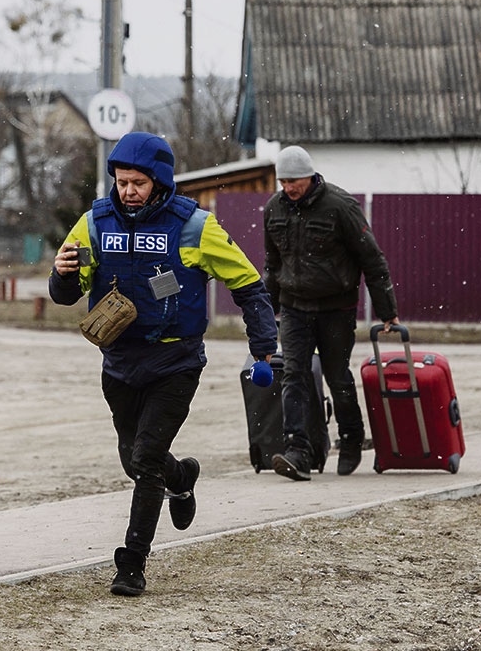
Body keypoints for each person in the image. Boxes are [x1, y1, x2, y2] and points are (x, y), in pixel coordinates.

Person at [49, 132, 277, 597]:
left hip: (176, 361)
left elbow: (249, 285)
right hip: (119, 361)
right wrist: (62, 273)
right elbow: (66, 293)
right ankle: (182, 477)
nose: (128, 191)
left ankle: (132, 562)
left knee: (146, 457)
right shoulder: (94, 222)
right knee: (134, 460)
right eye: (121, 181)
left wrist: (263, 346)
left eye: (138, 183)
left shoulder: (195, 225)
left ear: (160, 180)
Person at [263, 145, 398, 482]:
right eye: (284, 181)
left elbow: (373, 261)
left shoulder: (341, 206)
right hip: (294, 308)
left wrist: (387, 311)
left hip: (335, 308)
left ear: (310, 176)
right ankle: (299, 450)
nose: (289, 187)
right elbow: (273, 264)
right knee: (294, 375)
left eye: (294, 180)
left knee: (337, 377)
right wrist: (266, 315)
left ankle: (351, 438)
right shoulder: (273, 209)